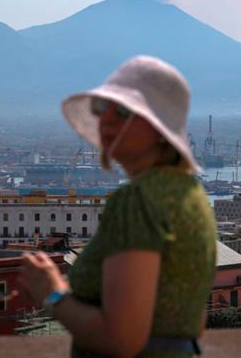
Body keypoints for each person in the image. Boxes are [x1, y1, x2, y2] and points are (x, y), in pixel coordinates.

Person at [17, 55, 216, 357]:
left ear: (158, 126)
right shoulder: (190, 195)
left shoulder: (138, 201)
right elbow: (189, 318)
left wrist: (53, 293)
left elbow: (122, 340)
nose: (106, 119)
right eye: (101, 108)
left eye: (123, 110)